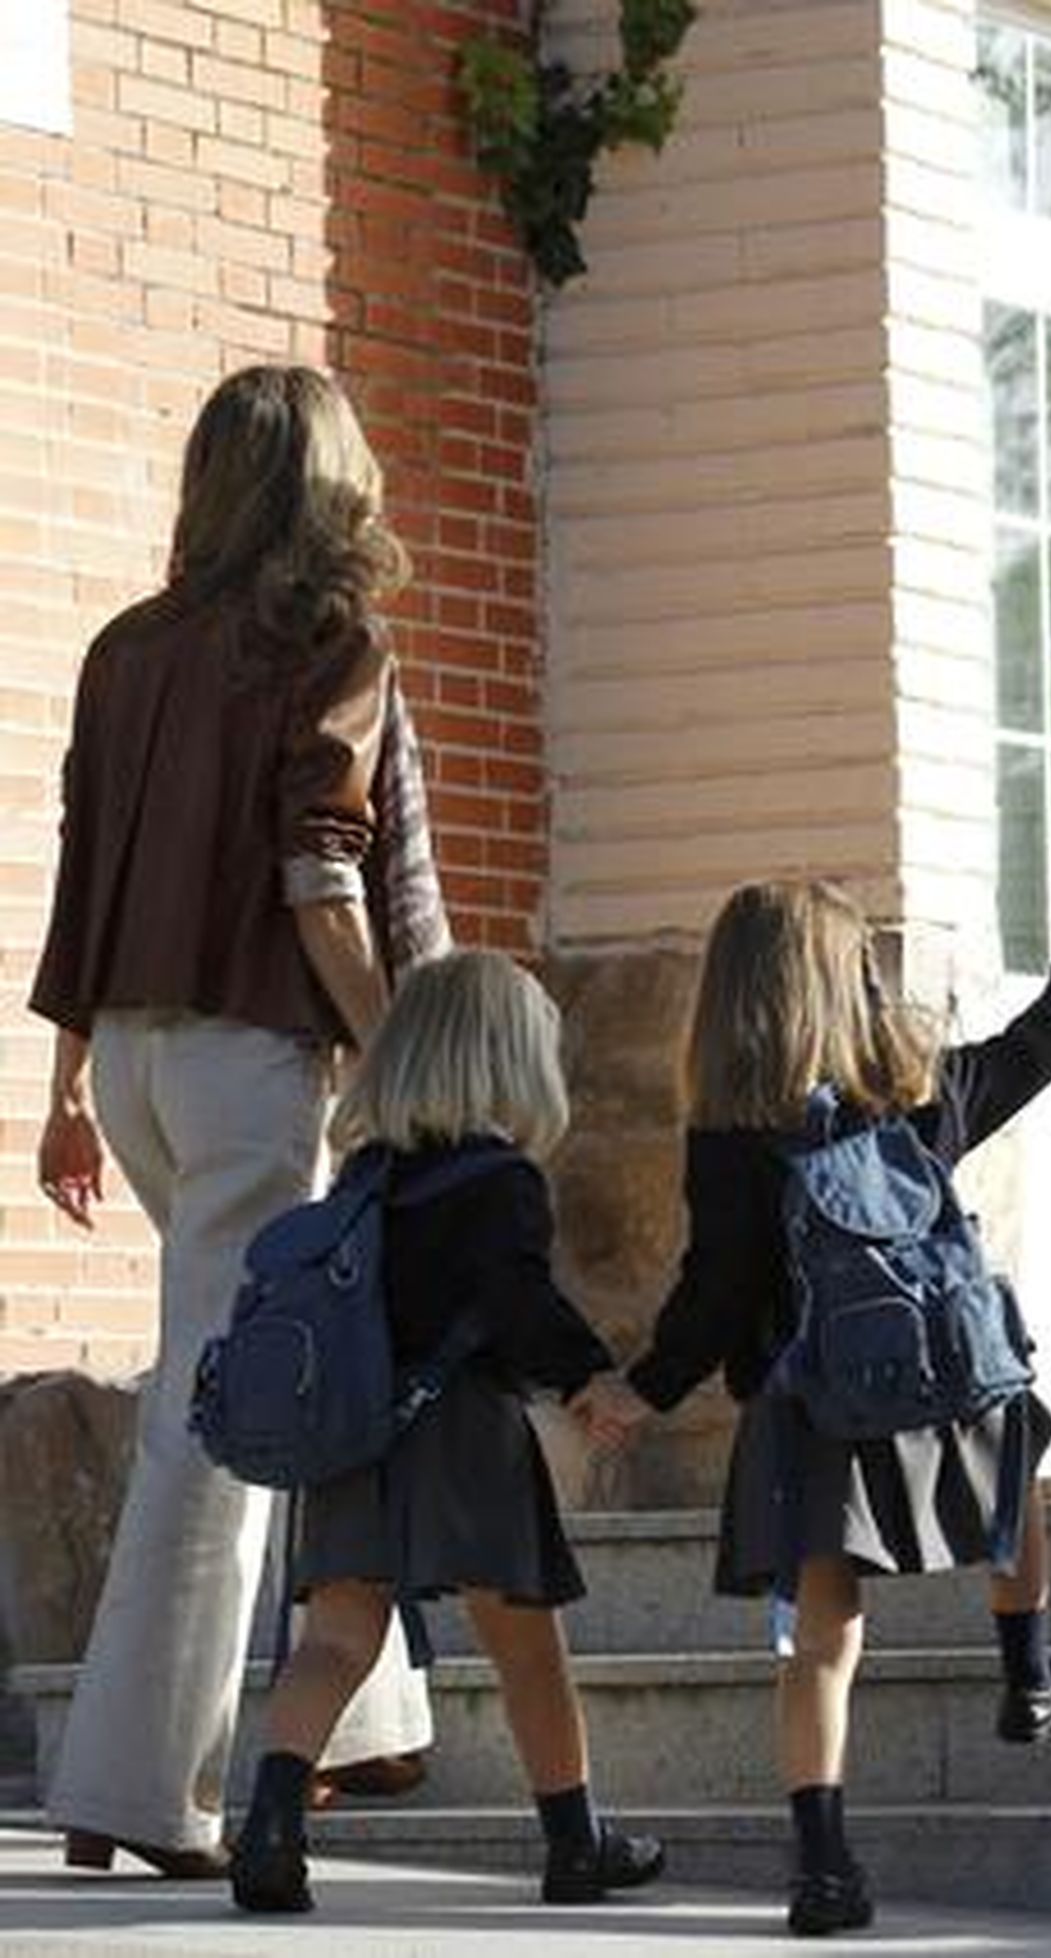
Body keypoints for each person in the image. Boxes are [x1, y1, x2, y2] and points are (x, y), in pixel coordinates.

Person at [30, 365, 447, 1873]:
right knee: (217, 1418)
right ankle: (136, 1792)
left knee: (269, 1361)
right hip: (250, 1056)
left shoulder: (124, 649)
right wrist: (402, 1051)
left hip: (136, 1061)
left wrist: (67, 1090)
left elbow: (83, 878)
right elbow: (323, 874)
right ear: (329, 484)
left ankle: (359, 1719)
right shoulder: (328, 645)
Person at [576, 876, 1051, 1936]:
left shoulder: (731, 1140)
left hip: (810, 1406)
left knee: (824, 1645)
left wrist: (640, 1390)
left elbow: (713, 1291)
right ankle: (1028, 1672)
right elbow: (1032, 1052)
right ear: (850, 988)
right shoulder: (918, 1100)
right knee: (1018, 1451)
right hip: (941, 1384)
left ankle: (822, 1865)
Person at [228, 949, 665, 1915]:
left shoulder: (365, 1175)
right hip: (465, 1432)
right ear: (508, 1061)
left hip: (355, 1433)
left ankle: (268, 1831)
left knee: (336, 1639)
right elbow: (516, 1299)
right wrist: (588, 1376)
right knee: (527, 1647)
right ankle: (573, 1840)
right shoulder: (501, 1179)